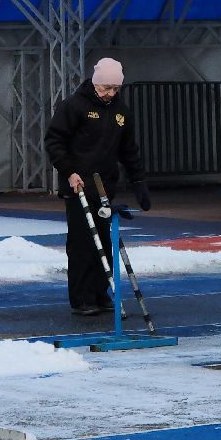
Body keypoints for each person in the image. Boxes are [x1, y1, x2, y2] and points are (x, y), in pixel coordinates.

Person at [44, 57, 151, 315]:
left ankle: (102, 292)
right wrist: (69, 172)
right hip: (79, 186)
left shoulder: (120, 112)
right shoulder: (74, 107)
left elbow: (128, 150)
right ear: (95, 84)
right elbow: (54, 141)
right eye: (106, 89)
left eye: (115, 89)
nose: (110, 94)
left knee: (104, 241)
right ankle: (82, 298)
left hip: (105, 187)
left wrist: (138, 181)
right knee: (82, 243)